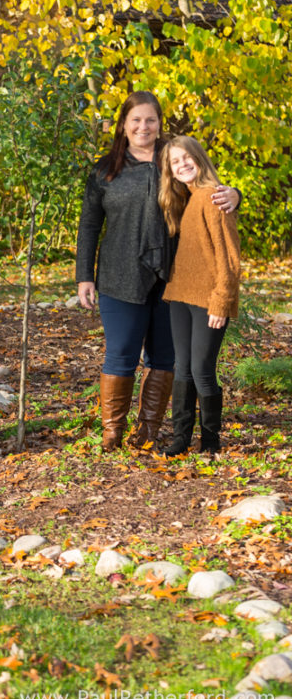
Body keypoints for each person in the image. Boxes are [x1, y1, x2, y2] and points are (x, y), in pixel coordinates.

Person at [76, 91, 240, 452]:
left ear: (160, 123)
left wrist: (236, 194)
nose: (143, 127)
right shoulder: (105, 170)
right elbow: (89, 225)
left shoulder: (173, 160)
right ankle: (112, 433)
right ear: (123, 125)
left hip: (173, 277)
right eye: (136, 120)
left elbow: (208, 190)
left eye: (150, 120)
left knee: (165, 358)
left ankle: (148, 431)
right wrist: (83, 274)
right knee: (120, 353)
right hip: (119, 276)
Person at [159, 136, 240, 456]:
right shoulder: (187, 199)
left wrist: (221, 300)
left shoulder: (213, 198)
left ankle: (210, 442)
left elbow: (229, 257)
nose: (181, 164)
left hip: (209, 300)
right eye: (174, 162)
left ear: (199, 158)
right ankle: (180, 439)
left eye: (186, 157)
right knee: (182, 367)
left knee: (202, 369)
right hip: (180, 296)